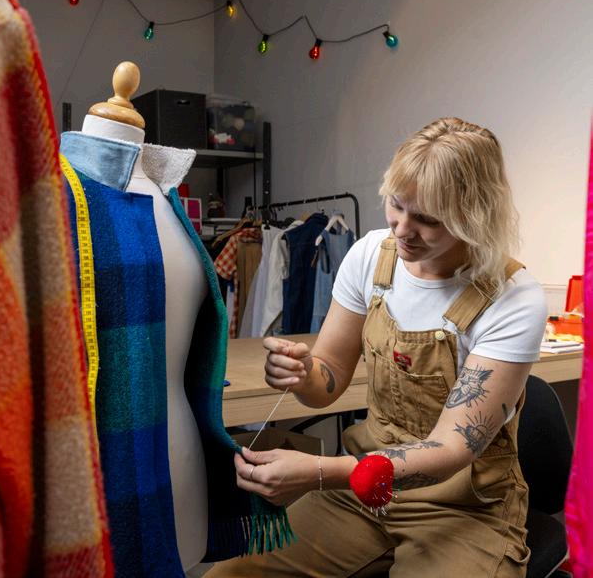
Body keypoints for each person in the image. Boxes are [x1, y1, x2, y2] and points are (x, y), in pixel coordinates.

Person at [206, 117, 547, 577]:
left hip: (462, 508)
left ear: (474, 214)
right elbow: (327, 380)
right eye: (397, 205)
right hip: (360, 498)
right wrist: (303, 375)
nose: (402, 229)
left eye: (427, 219)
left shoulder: (511, 298)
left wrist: (320, 472)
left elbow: (451, 448)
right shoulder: (371, 255)